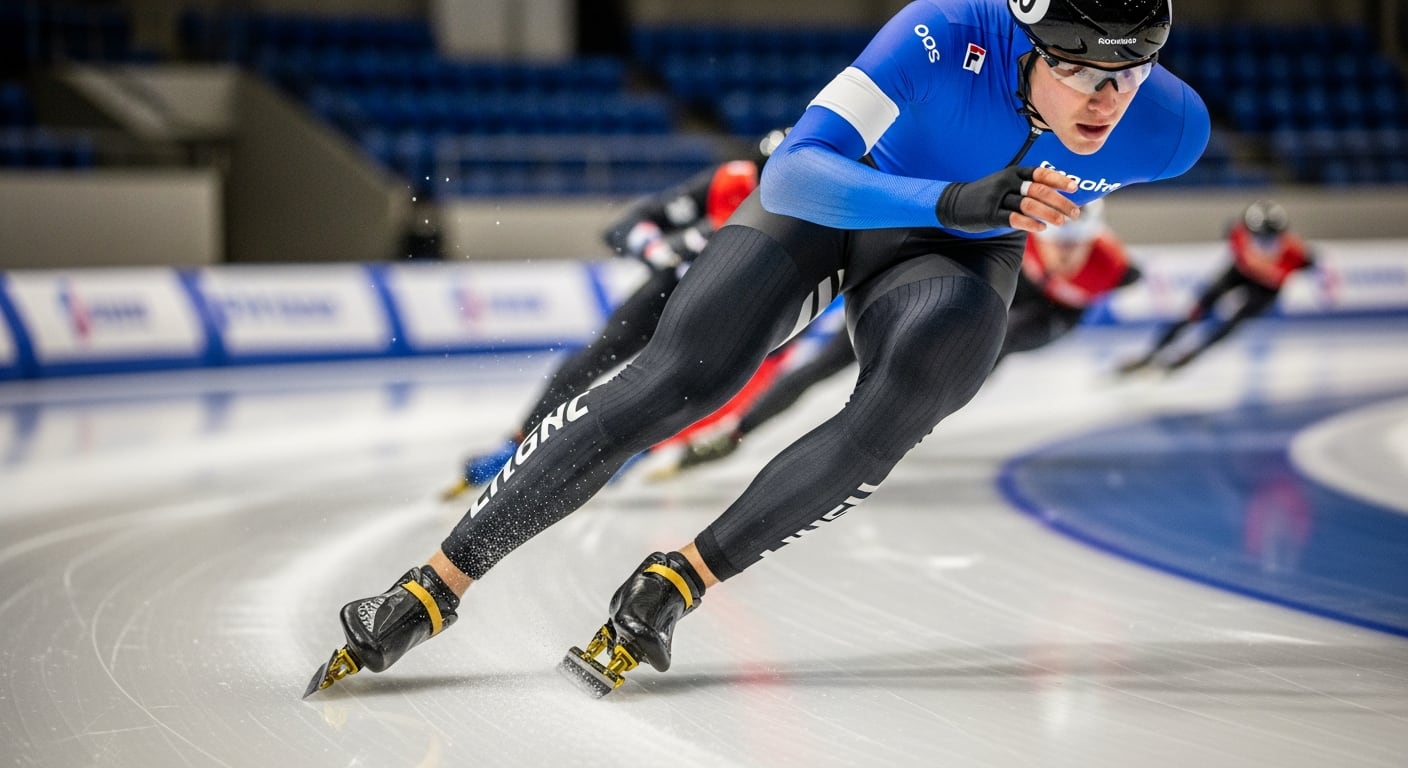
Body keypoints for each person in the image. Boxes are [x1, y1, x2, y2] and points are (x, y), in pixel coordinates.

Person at [305, 0, 1209, 699]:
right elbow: (796, 170)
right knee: (679, 379)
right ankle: (432, 585)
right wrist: (948, 200)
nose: (1108, 98)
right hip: (848, 202)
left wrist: (968, 217)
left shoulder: (1172, 131)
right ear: (1022, 41)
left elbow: (1087, 155)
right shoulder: (941, 33)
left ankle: (674, 583)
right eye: (1083, 69)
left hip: (962, 241)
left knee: (927, 382)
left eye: (1131, 72)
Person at [664, 199, 1140, 476]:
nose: (1065, 259)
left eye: (1076, 248)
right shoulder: (1013, 233)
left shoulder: (1113, 267)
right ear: (1039, 234)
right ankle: (736, 434)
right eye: (1059, 245)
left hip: (1048, 314)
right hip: (957, 289)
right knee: (824, 365)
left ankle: (903, 417)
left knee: (996, 342)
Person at [440, 130, 790, 500]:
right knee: (594, 357)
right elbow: (626, 226)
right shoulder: (728, 181)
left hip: (731, 309)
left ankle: (636, 449)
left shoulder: (802, 211)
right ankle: (519, 443)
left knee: (687, 385)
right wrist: (661, 252)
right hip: (672, 288)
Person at [1116, 199, 1314, 374]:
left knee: (1231, 323)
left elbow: (1313, 266)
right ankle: (1151, 353)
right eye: (1257, 237)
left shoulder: (1297, 254)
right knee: (1193, 312)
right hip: (1238, 273)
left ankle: (1194, 353)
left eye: (1269, 239)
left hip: (1266, 289)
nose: (1262, 244)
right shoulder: (1238, 234)